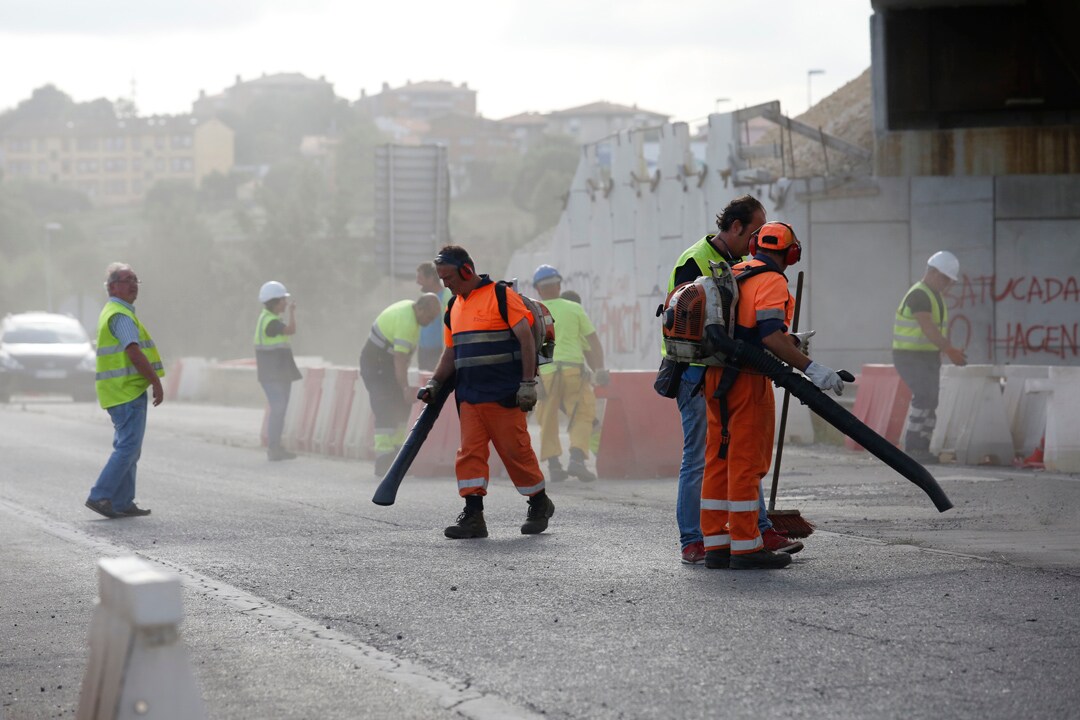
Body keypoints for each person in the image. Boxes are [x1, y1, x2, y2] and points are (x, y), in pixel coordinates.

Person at [666, 195, 802, 565]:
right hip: (697, 373)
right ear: (737, 227)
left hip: (727, 371)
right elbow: (683, 318)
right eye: (755, 232)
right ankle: (693, 539)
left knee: (736, 454)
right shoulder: (695, 260)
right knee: (701, 459)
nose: (759, 241)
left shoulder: (742, 266)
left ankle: (750, 530)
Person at [701, 222, 845, 569]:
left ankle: (717, 543)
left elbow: (750, 327)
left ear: (755, 246)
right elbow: (767, 335)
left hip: (716, 376)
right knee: (747, 463)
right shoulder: (772, 279)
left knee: (719, 458)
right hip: (749, 379)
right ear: (791, 252)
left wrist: (788, 338)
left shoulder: (735, 271)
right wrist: (812, 368)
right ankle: (748, 546)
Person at [418, 245, 553, 539]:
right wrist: (435, 382)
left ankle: (539, 502)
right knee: (469, 454)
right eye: (440, 279)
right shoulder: (454, 307)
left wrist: (528, 383)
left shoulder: (501, 297)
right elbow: (451, 351)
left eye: (448, 277)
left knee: (515, 452)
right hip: (469, 395)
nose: (445, 284)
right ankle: (473, 515)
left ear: (466, 270)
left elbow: (527, 339)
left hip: (504, 392)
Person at [85, 262, 164, 519]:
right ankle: (101, 496)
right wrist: (156, 381)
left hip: (119, 392)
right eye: (126, 279)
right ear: (112, 287)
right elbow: (133, 352)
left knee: (129, 447)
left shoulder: (114, 311)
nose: (132, 284)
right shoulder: (120, 315)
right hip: (125, 392)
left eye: (135, 280)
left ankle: (121, 500)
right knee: (128, 447)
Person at [531, 264, 608, 482]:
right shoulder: (574, 308)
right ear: (558, 285)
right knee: (583, 412)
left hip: (545, 372)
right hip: (573, 370)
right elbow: (591, 341)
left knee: (547, 418)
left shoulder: (533, 311)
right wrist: (600, 368)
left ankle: (554, 466)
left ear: (537, 289)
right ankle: (576, 459)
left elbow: (526, 347)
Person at [892, 251, 967, 463]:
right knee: (924, 395)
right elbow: (928, 328)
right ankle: (913, 447)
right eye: (945, 279)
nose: (947, 284)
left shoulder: (935, 296)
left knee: (931, 399)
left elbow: (935, 330)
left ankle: (922, 447)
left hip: (926, 356)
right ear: (933, 273)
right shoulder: (920, 295)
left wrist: (941, 352)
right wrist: (949, 350)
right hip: (909, 356)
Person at [361, 293, 443, 475]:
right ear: (420, 309)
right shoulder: (407, 322)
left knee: (400, 406)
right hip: (376, 365)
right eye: (429, 318)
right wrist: (405, 387)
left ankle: (397, 456)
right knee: (384, 407)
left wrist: (403, 389)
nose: (430, 323)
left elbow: (404, 358)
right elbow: (400, 359)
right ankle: (384, 460)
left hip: (385, 364)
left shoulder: (412, 313)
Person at [255, 281, 302, 461]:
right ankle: (273, 448)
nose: (285, 302)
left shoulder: (269, 319)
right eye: (283, 299)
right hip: (273, 375)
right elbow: (291, 330)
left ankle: (277, 447)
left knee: (280, 409)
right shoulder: (270, 322)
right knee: (278, 408)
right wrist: (292, 313)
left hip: (278, 373)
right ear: (275, 301)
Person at [415, 262, 452, 371]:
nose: (417, 282)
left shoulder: (447, 296)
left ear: (430, 278)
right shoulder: (425, 298)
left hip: (439, 352)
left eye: (420, 278)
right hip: (423, 352)